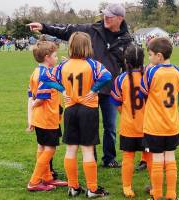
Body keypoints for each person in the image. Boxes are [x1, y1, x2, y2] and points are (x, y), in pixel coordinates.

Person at [28, 3, 132, 168]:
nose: (105, 17)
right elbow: (66, 30)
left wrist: (127, 88)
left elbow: (128, 66)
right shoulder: (90, 29)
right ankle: (91, 157)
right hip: (86, 90)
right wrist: (44, 27)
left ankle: (109, 158)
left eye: (110, 16)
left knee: (110, 127)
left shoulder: (126, 39)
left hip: (110, 89)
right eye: (104, 14)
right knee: (90, 125)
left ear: (120, 18)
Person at [49, 32, 112, 197]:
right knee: (87, 150)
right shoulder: (93, 64)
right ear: (87, 46)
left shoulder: (63, 65)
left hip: (70, 110)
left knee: (70, 149)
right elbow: (107, 76)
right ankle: (92, 189)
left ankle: (73, 187)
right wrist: (94, 90)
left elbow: (47, 78)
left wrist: (62, 90)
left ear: (70, 46)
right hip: (88, 109)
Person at [140, 37, 179, 200]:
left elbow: (143, 92)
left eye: (150, 55)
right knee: (170, 158)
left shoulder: (151, 71)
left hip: (154, 124)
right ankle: (171, 194)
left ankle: (156, 195)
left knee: (157, 159)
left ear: (159, 56)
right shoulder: (177, 71)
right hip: (171, 124)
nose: (149, 58)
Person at [110, 44, 152, 198]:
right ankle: (154, 186)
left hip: (128, 125)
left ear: (125, 60)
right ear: (143, 60)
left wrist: (126, 114)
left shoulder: (120, 79)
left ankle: (127, 187)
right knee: (149, 156)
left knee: (128, 156)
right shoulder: (149, 76)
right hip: (148, 126)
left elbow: (117, 103)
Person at [26, 40, 67, 191]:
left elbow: (30, 94)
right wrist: (35, 104)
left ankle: (47, 177)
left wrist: (31, 117)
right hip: (47, 118)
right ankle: (35, 181)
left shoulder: (36, 72)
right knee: (50, 148)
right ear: (47, 57)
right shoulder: (45, 75)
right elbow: (39, 98)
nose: (57, 58)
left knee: (43, 146)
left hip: (41, 118)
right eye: (55, 56)